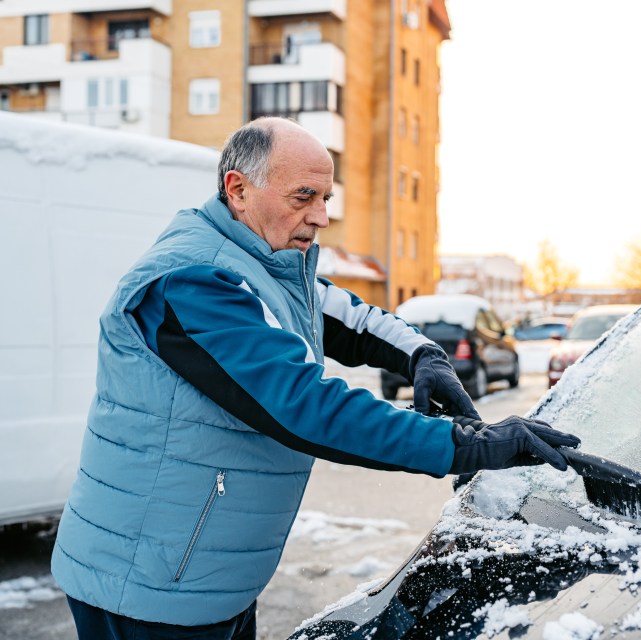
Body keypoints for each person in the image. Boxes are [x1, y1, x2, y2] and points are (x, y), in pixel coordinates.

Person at [50, 117, 581, 639]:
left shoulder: (271, 262)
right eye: (304, 197)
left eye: (326, 198)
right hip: (148, 584)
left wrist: (423, 355)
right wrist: (465, 444)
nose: (322, 216)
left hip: (201, 570)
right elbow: (304, 407)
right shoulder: (196, 281)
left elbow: (352, 318)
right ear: (238, 190)